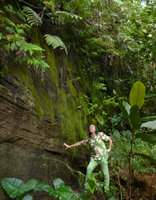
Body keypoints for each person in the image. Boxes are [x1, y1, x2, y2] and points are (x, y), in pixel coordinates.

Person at [64, 124, 112, 194]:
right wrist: (69, 146)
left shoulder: (100, 134)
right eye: (89, 127)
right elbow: (80, 143)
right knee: (89, 169)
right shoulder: (88, 139)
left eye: (92, 126)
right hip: (94, 158)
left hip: (103, 157)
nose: (90, 127)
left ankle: (106, 191)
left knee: (106, 174)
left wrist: (109, 149)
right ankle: (86, 187)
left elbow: (109, 140)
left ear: (95, 129)